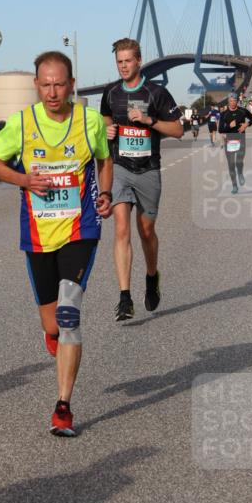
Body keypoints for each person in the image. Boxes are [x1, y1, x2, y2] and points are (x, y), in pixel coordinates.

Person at [0, 51, 112, 437]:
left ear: (72, 84)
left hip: (81, 228)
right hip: (38, 234)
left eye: (60, 84)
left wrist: (104, 192)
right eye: (46, 84)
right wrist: (24, 181)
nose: (53, 91)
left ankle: (63, 407)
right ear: (36, 86)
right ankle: (53, 334)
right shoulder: (23, 123)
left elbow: (104, 160)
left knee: (69, 313)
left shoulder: (89, 121)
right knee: (52, 322)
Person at [100, 38, 183, 320]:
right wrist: (108, 131)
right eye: (119, 62)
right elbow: (106, 121)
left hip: (148, 170)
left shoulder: (157, 93)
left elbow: (178, 130)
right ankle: (125, 298)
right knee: (121, 229)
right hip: (121, 169)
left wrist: (150, 122)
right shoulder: (110, 93)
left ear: (138, 61)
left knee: (145, 231)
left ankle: (151, 276)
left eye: (127, 61)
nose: (123, 66)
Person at [218, 91, 252, 193]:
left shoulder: (243, 111)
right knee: (231, 165)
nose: (233, 102)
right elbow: (220, 129)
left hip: (241, 139)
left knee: (239, 161)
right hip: (229, 141)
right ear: (228, 102)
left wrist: (246, 125)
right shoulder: (224, 114)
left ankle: (240, 173)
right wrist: (229, 126)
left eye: (234, 100)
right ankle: (234, 186)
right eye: (231, 101)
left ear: (237, 101)